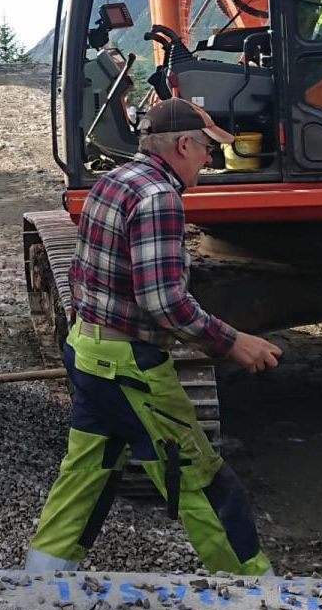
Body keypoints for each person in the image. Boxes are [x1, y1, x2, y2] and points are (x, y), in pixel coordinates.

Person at [26, 98, 283, 576]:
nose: (210, 158)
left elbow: (84, 276)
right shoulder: (159, 197)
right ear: (183, 144)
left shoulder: (114, 181)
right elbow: (164, 303)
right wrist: (233, 342)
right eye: (206, 148)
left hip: (89, 351)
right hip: (129, 367)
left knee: (83, 479)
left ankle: (37, 586)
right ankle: (260, 595)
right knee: (201, 482)